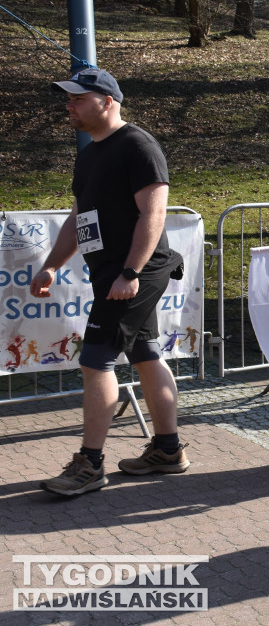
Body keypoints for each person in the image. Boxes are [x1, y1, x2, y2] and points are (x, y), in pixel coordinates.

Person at [32, 68, 188, 497]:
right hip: (115, 271)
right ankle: (168, 451)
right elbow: (79, 218)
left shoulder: (137, 145)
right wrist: (51, 266)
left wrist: (131, 273)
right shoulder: (90, 153)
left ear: (108, 101)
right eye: (69, 99)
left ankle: (90, 464)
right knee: (145, 353)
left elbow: (152, 214)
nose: (70, 105)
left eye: (78, 98)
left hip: (136, 270)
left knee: (95, 359)